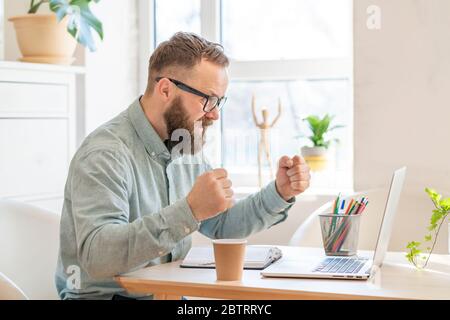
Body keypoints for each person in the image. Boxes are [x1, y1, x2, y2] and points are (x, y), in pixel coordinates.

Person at [55, 32, 311, 300]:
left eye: (219, 101)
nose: (215, 114)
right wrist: (188, 210)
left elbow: (221, 225)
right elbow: (98, 257)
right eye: (207, 99)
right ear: (165, 89)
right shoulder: (105, 153)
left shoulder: (184, 146)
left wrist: (280, 192)